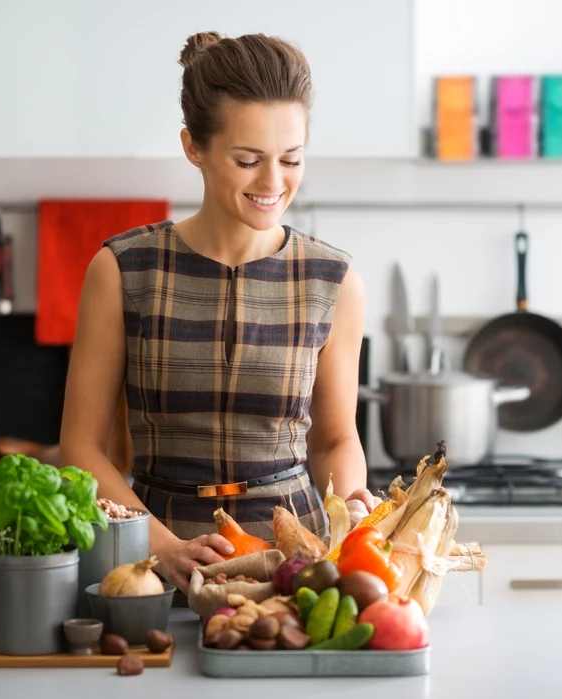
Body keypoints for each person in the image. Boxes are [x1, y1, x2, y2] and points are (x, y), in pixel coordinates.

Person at [59, 30, 380, 594]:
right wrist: (161, 550)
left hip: (297, 575)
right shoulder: (123, 270)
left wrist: (353, 507)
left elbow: (334, 441)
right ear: (193, 147)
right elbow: (81, 450)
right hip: (149, 573)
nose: (273, 183)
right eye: (248, 160)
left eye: (291, 159)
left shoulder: (334, 281)